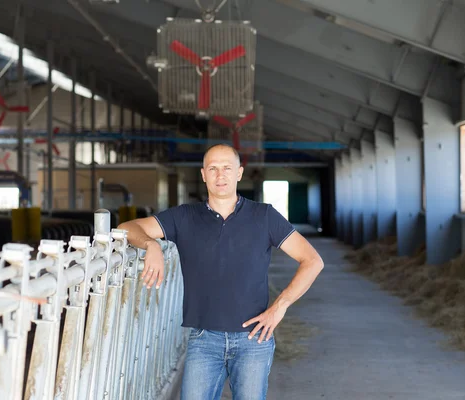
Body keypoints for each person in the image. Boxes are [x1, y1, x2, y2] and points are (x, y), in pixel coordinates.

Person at [118, 144, 324, 400]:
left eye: (227, 168)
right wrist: (152, 245)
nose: (220, 175)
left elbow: (312, 260)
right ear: (203, 174)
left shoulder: (264, 216)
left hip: (254, 339)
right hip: (204, 339)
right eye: (213, 169)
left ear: (239, 173)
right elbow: (127, 227)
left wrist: (280, 306)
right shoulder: (185, 217)